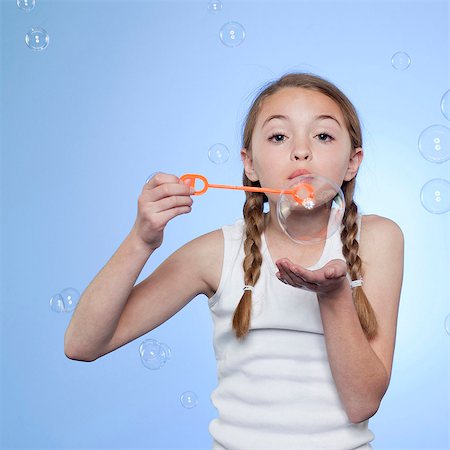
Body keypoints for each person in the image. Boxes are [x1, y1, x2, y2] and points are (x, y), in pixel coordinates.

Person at [64, 72, 404, 450]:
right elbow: (82, 344)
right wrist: (140, 240)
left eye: (322, 135)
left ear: (353, 161)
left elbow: (362, 403)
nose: (301, 151)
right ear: (250, 164)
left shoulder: (376, 239)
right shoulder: (218, 252)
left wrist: (334, 296)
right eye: (278, 136)